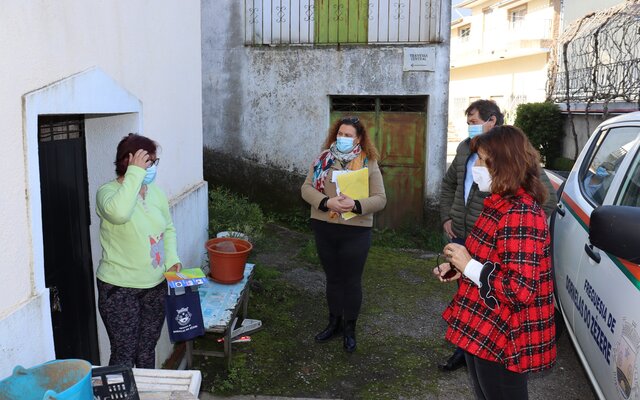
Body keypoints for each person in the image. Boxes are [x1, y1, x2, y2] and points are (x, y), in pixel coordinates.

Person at [434, 125, 556, 400]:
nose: (475, 166)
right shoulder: (498, 202)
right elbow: (493, 257)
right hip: (485, 322)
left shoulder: (522, 214)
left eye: (481, 160)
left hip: (504, 334)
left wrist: (469, 266)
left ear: (504, 165)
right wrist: (459, 268)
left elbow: (519, 289)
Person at [301, 116, 386, 353]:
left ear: (358, 139)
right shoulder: (322, 158)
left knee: (351, 280)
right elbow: (306, 188)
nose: (343, 138)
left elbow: (380, 199)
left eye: (348, 135)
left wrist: (355, 205)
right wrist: (327, 202)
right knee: (333, 278)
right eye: (340, 134)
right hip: (325, 226)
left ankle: (350, 329)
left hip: (356, 230)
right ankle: (334, 323)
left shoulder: (368, 162)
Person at [96, 133, 182, 368]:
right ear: (129, 161)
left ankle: (145, 387)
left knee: (146, 350)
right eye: (148, 161)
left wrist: (172, 260)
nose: (152, 167)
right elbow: (119, 214)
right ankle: (121, 389)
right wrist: (134, 174)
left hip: (155, 285)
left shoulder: (155, 192)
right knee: (124, 353)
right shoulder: (107, 193)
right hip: (119, 289)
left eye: (154, 162)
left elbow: (168, 228)